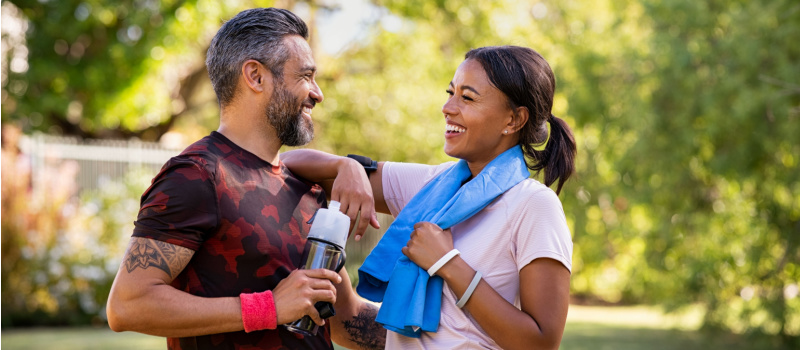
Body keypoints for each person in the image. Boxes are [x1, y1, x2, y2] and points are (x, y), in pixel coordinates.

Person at [106, 8, 386, 350]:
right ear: (255, 76)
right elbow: (128, 305)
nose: (317, 93)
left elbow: (347, 320)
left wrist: (450, 331)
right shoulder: (197, 175)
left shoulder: (305, 187)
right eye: (305, 76)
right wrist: (268, 308)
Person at [282, 45, 576, 349]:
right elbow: (291, 164)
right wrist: (344, 166)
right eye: (450, 93)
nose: (448, 107)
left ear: (513, 121)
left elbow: (543, 342)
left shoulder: (533, 205)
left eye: (468, 97)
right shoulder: (433, 184)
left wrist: (447, 263)